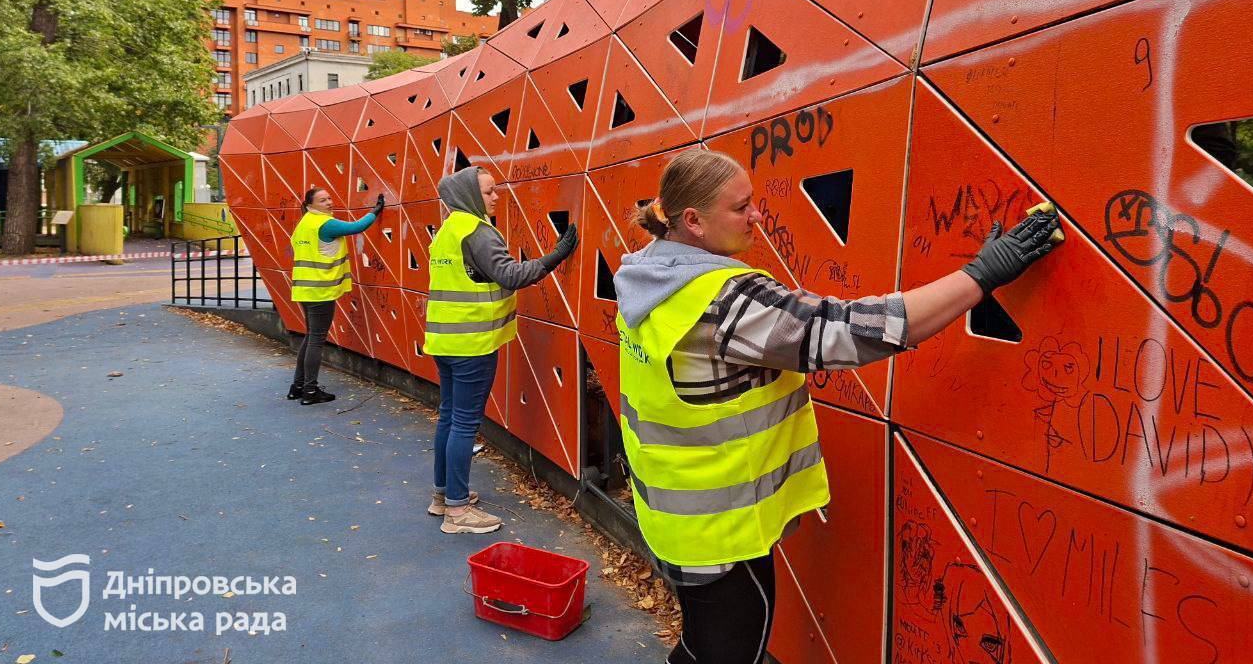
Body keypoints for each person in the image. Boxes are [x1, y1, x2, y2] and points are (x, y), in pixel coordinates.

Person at [613, 151, 1062, 664]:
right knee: (730, 650)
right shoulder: (714, 300)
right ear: (692, 221)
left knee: (706, 643)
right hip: (718, 529)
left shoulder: (650, 272)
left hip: (676, 511)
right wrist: (980, 276)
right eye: (741, 208)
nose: (758, 215)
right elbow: (846, 331)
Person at [425, 165, 579, 534]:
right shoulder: (478, 232)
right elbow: (510, 275)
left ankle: (443, 497)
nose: (496, 197)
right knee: (464, 422)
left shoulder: (449, 230)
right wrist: (556, 255)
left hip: (444, 340)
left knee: (448, 416)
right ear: (470, 196)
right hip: (473, 344)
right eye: (490, 191)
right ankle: (458, 514)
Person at [288, 186, 385, 406]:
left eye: (330, 198)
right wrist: (376, 210)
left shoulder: (305, 223)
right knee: (316, 339)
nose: (329, 202)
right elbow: (357, 227)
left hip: (304, 288)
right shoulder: (326, 224)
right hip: (321, 290)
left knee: (310, 336)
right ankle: (310, 391)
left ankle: (298, 386)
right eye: (323, 200)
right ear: (310, 205)